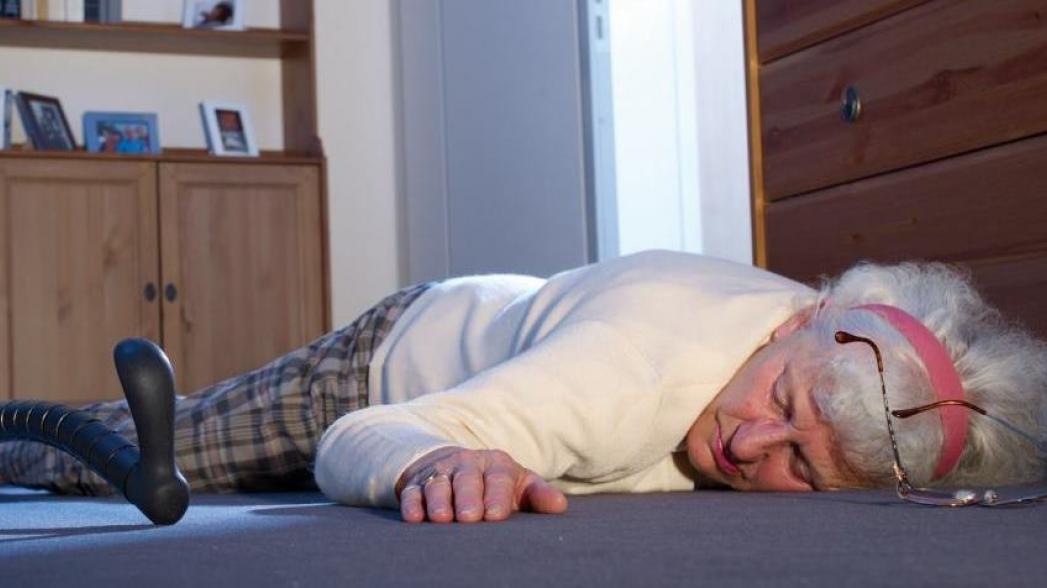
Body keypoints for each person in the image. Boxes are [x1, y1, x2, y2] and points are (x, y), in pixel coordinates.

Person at [1, 251, 1045, 522]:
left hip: (508, 310)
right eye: (778, 405)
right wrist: (437, 456)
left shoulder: (831, 333)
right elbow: (366, 430)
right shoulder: (628, 375)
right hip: (380, 366)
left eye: (804, 470)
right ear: (796, 325)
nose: (748, 447)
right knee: (140, 458)